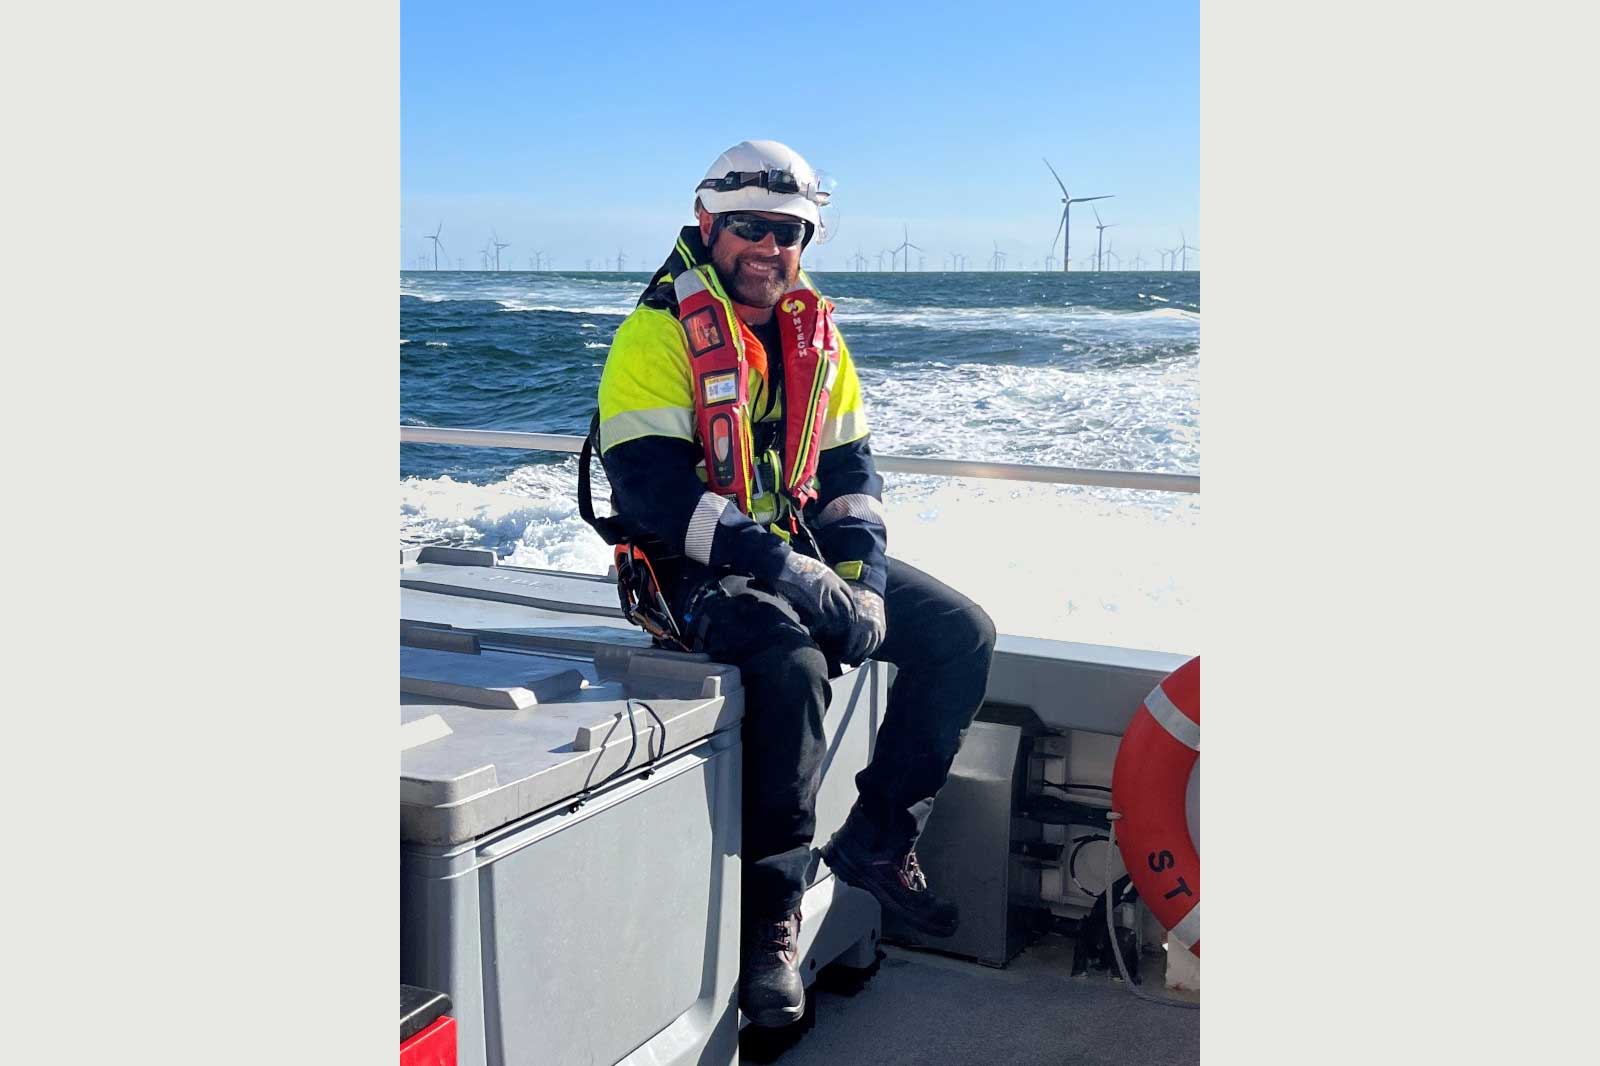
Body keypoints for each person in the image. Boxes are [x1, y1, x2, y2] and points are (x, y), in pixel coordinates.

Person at [593, 139, 995, 1028]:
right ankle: (772, 919)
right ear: (709, 224)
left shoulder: (818, 332)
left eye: (787, 231)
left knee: (960, 634)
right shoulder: (654, 335)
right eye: (747, 229)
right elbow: (652, 493)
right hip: (681, 567)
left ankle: (879, 839)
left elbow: (852, 473)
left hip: (792, 547)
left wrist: (865, 584)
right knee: (790, 664)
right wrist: (794, 578)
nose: (767, 248)